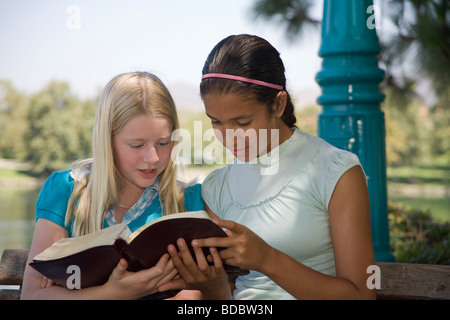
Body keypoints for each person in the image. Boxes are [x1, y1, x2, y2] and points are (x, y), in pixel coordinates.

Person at [161, 34, 376, 300]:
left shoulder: (335, 172)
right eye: (216, 122)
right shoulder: (217, 187)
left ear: (278, 104)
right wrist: (210, 285)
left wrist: (267, 259)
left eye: (242, 122)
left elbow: (363, 296)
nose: (229, 138)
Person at [21, 72, 206, 300]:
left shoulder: (186, 201)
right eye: (137, 145)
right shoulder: (65, 191)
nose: (153, 158)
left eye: (163, 143)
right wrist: (111, 294)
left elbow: (195, 296)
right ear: (107, 141)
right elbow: (32, 295)